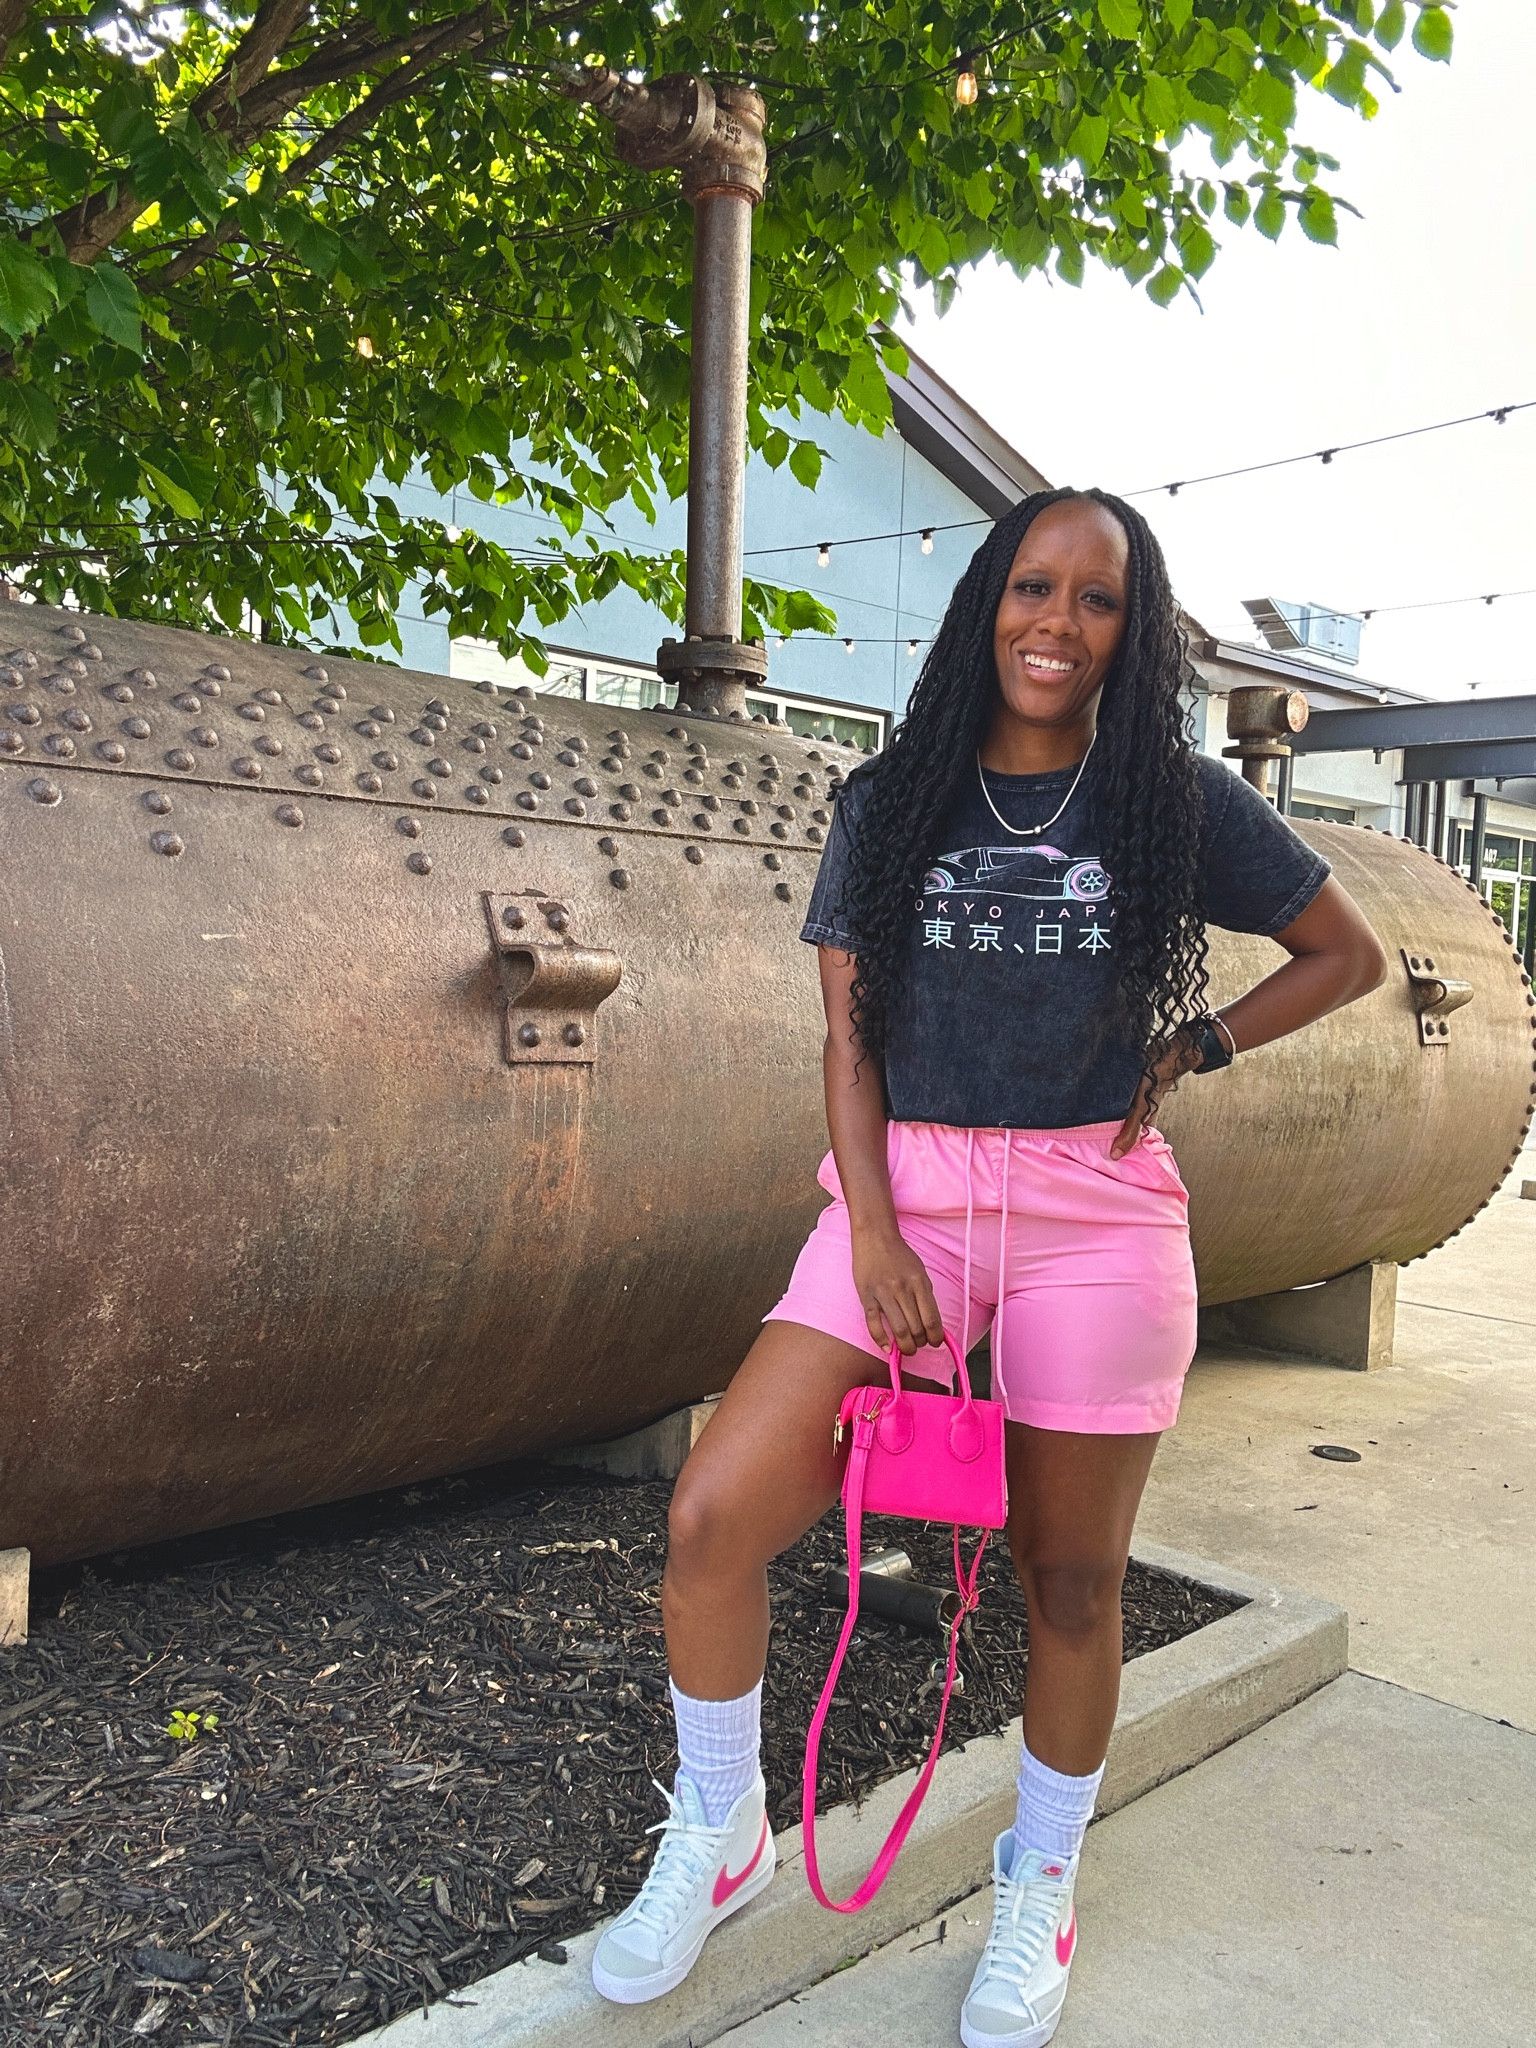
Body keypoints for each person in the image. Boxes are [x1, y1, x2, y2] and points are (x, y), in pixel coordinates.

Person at [591, 488, 1386, 2044]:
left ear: (1128, 632)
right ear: (987, 602)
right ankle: (722, 1832)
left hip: (1098, 1207)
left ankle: (1040, 1879)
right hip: (913, 1198)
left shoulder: (1172, 798)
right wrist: (878, 1231)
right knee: (711, 1517)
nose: (1058, 622)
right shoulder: (891, 799)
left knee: (1071, 1578)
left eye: (1098, 601)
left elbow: (1343, 955)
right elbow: (849, 1037)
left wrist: (1196, 1043)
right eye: (1035, 587)